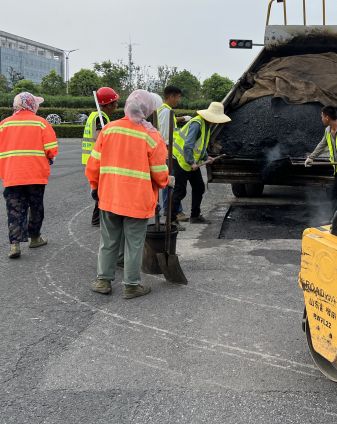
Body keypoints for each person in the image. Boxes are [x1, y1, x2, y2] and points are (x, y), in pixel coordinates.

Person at [86, 90, 171, 299]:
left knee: (108, 241)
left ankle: (103, 281)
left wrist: (95, 187)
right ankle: (131, 286)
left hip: (109, 197)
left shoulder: (108, 130)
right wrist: (164, 182)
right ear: (148, 110)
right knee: (134, 244)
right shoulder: (151, 136)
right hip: (137, 201)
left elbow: (93, 164)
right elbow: (160, 174)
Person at [0, 92, 59, 259]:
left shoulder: (3, 125)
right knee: (35, 207)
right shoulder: (42, 124)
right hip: (35, 176)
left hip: (11, 176)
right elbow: (51, 150)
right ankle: (35, 238)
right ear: (31, 105)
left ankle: (14, 245)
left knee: (14, 210)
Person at [173, 101, 231, 224]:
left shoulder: (205, 125)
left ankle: (195, 216)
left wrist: (206, 157)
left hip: (190, 161)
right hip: (182, 161)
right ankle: (172, 221)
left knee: (199, 187)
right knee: (180, 191)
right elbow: (188, 146)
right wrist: (191, 162)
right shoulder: (197, 124)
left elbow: (200, 146)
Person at [82, 87, 120, 226]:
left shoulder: (94, 115)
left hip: (91, 158)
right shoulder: (100, 117)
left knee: (101, 189)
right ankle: (97, 220)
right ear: (109, 104)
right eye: (115, 102)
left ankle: (98, 219)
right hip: (98, 159)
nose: (117, 105)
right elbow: (100, 138)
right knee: (102, 189)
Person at [158, 85, 192, 230]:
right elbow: (166, 135)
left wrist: (183, 118)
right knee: (170, 182)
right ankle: (172, 211)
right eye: (178, 97)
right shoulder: (166, 111)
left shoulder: (163, 110)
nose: (178, 100)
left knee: (169, 182)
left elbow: (168, 123)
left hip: (164, 152)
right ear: (171, 97)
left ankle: (172, 210)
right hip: (167, 152)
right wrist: (170, 155)